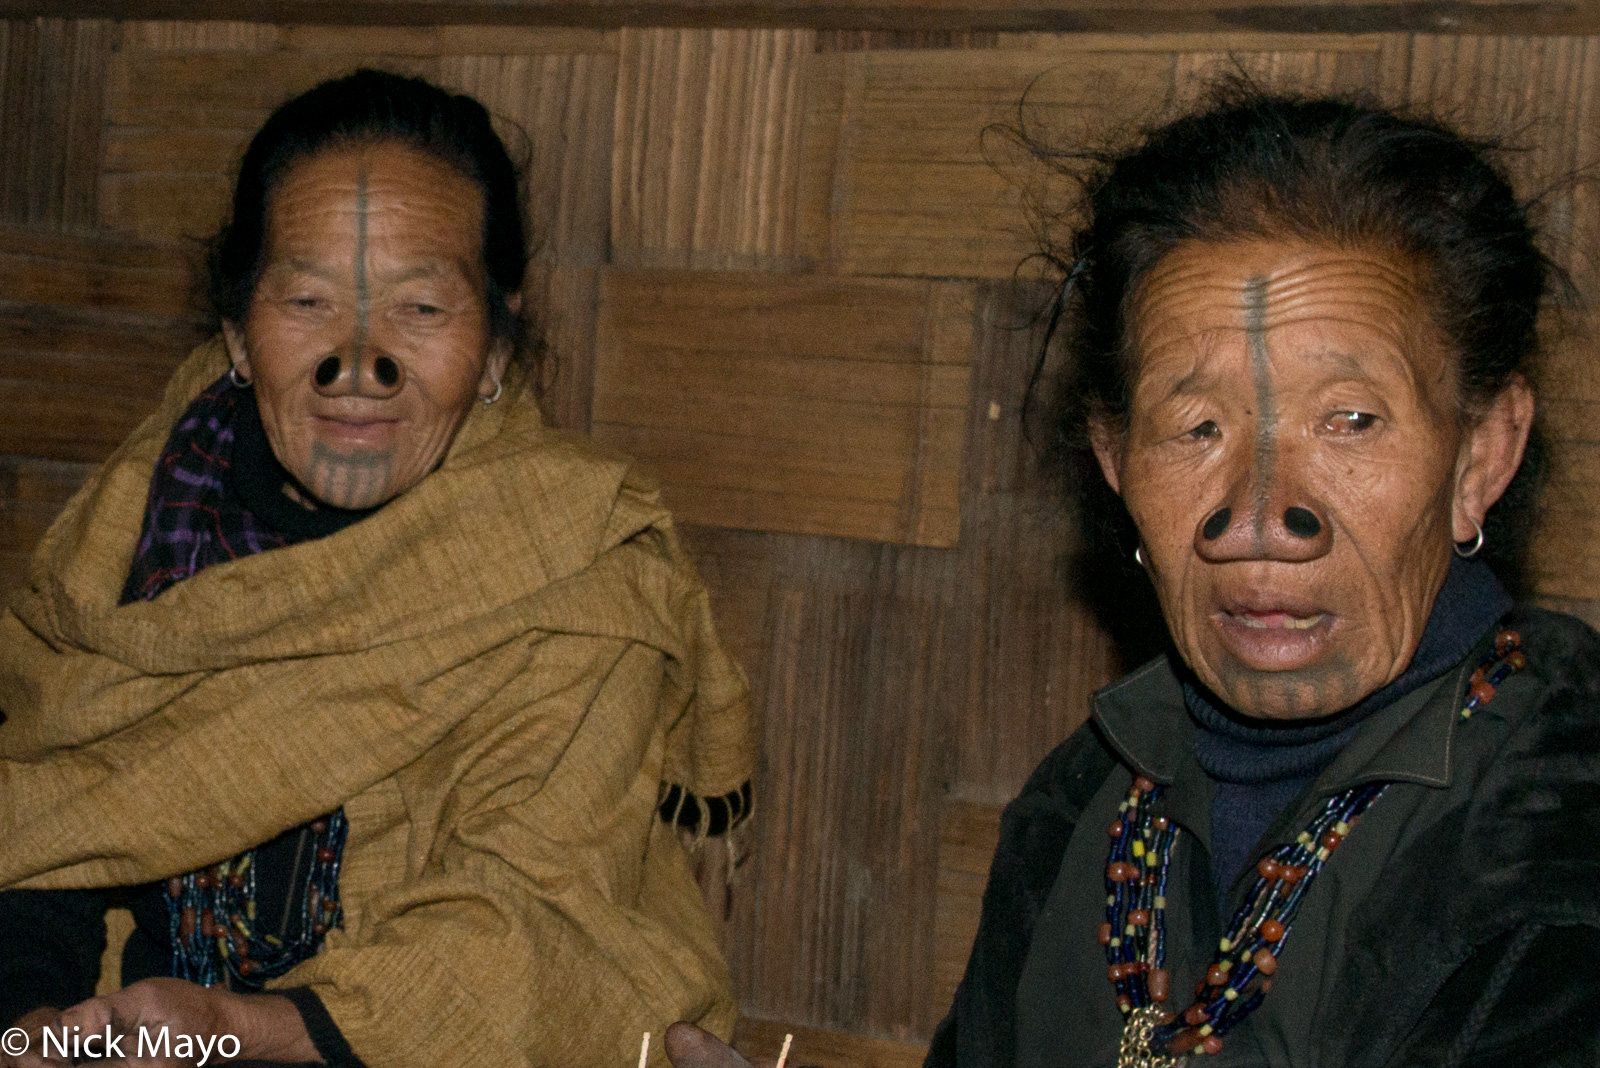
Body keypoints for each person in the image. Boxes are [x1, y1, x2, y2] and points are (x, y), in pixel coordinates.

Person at [0, 69, 754, 1068]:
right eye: (308, 300)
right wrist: (31, 1029)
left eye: (422, 310)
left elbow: (533, 935)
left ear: (494, 344)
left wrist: (237, 1032)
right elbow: (44, 828)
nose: (359, 361)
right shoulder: (140, 524)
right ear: (236, 332)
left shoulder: (576, 572)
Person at [918, 87, 1600, 1066]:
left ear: (1481, 456)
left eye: (1349, 420)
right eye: (1197, 428)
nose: (1258, 515)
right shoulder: (1087, 803)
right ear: (1113, 463)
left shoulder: (1557, 835)